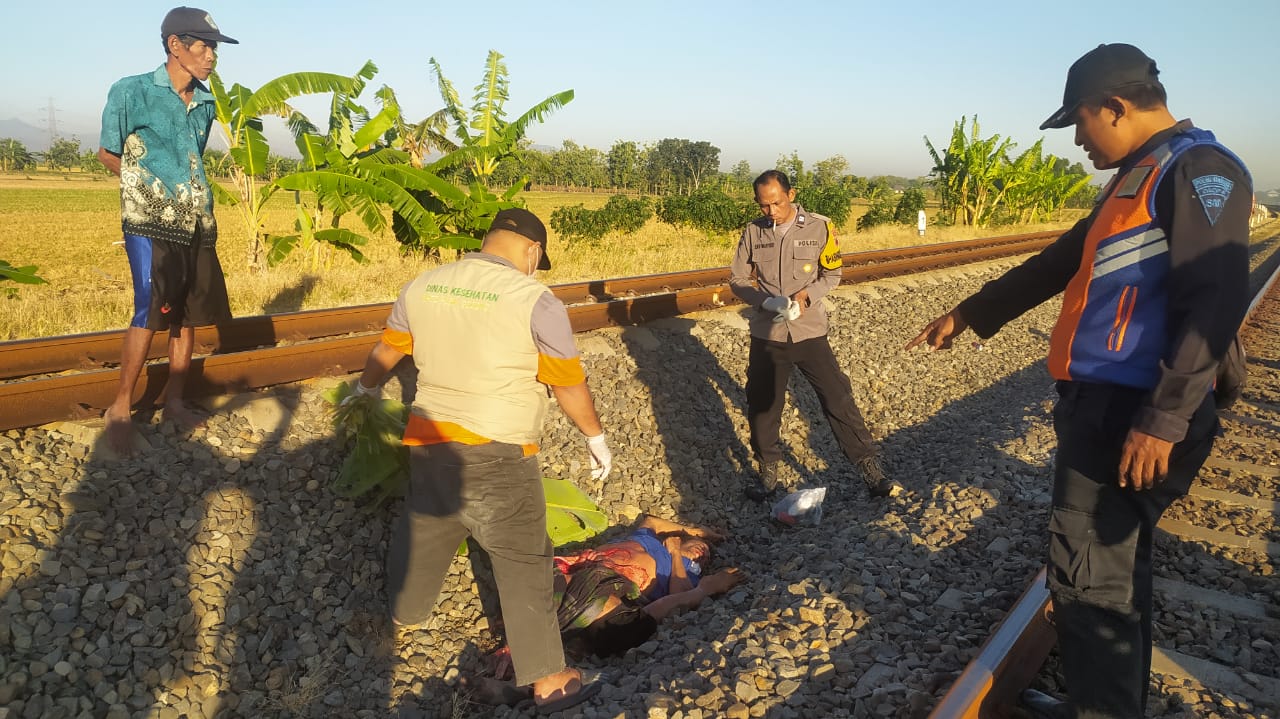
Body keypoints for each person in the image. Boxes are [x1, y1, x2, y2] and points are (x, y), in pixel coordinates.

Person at [906, 43, 1252, 719]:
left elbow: (1211, 305)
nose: (1078, 141)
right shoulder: (1137, 175)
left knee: (1090, 577)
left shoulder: (1198, 170)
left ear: (1114, 107)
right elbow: (1060, 261)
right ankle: (1105, 702)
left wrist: (1163, 420)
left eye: (1080, 124)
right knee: (1111, 572)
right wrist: (972, 313)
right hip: (1104, 410)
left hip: (1133, 414)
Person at [351, 207, 614, 714]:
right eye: (537, 260)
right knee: (523, 561)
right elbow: (565, 380)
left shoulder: (424, 284)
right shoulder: (534, 300)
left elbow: (389, 348)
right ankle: (552, 680)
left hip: (429, 441)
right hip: (498, 449)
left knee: (426, 527)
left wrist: (363, 390)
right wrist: (594, 436)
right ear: (531, 251)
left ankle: (404, 616)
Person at [97, 7, 238, 455]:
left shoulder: (207, 102)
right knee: (149, 309)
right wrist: (146, 187)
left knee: (187, 313)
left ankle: (174, 402)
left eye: (214, 47)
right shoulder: (131, 91)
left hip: (197, 219)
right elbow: (107, 152)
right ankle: (119, 408)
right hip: (148, 219)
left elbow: (191, 159)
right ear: (175, 45)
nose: (211, 56)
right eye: (204, 46)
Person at [730, 170, 893, 501]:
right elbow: (737, 279)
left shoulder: (820, 227)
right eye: (764, 206)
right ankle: (768, 474)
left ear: (791, 194)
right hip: (768, 332)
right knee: (763, 405)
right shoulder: (753, 232)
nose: (771, 212)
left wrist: (805, 296)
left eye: (776, 203)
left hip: (810, 332)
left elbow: (833, 273)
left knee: (838, 399)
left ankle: (870, 470)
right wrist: (765, 301)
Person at [468, 515, 745, 706]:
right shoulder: (647, 538)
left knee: (626, 622)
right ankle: (529, 671)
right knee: (544, 579)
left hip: (603, 597)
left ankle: (524, 674)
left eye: (705, 557)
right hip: (570, 575)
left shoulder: (683, 570)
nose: (702, 552)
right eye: (700, 548)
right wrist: (701, 533)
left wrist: (677, 556)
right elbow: (652, 520)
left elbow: (678, 596)